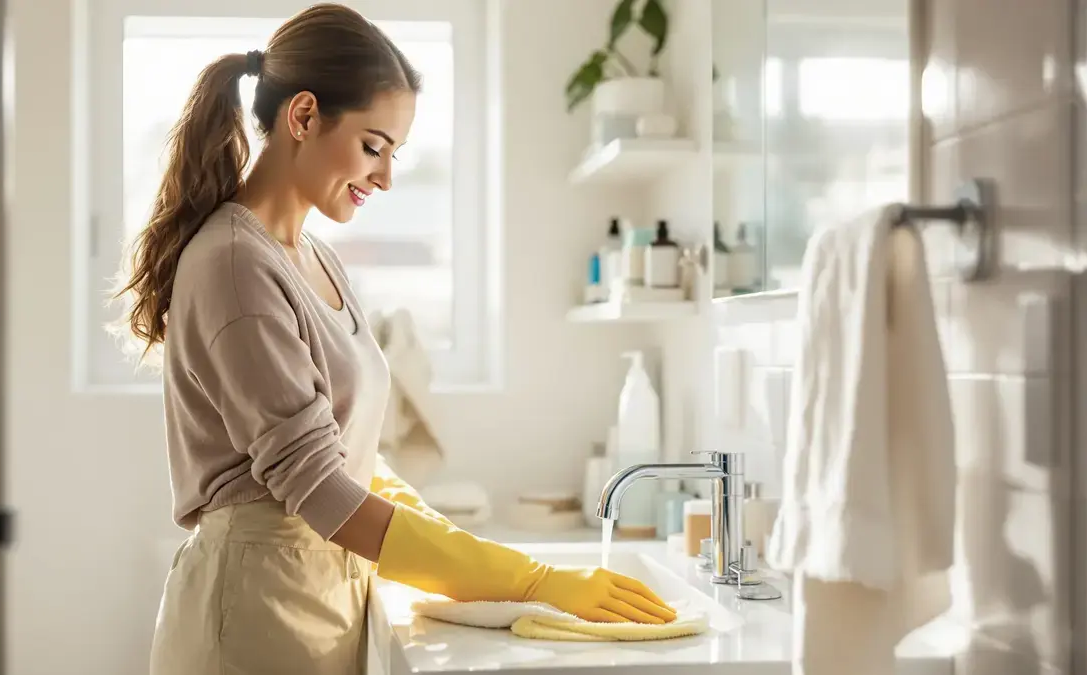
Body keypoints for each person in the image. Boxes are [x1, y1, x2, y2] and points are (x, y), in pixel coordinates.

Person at [114, 4, 676, 674]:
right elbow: (321, 490)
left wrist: (489, 562)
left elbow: (353, 459)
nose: (385, 177)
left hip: (318, 598)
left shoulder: (315, 258)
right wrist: (529, 580)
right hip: (252, 613)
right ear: (303, 117)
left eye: (394, 154)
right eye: (373, 146)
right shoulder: (235, 264)